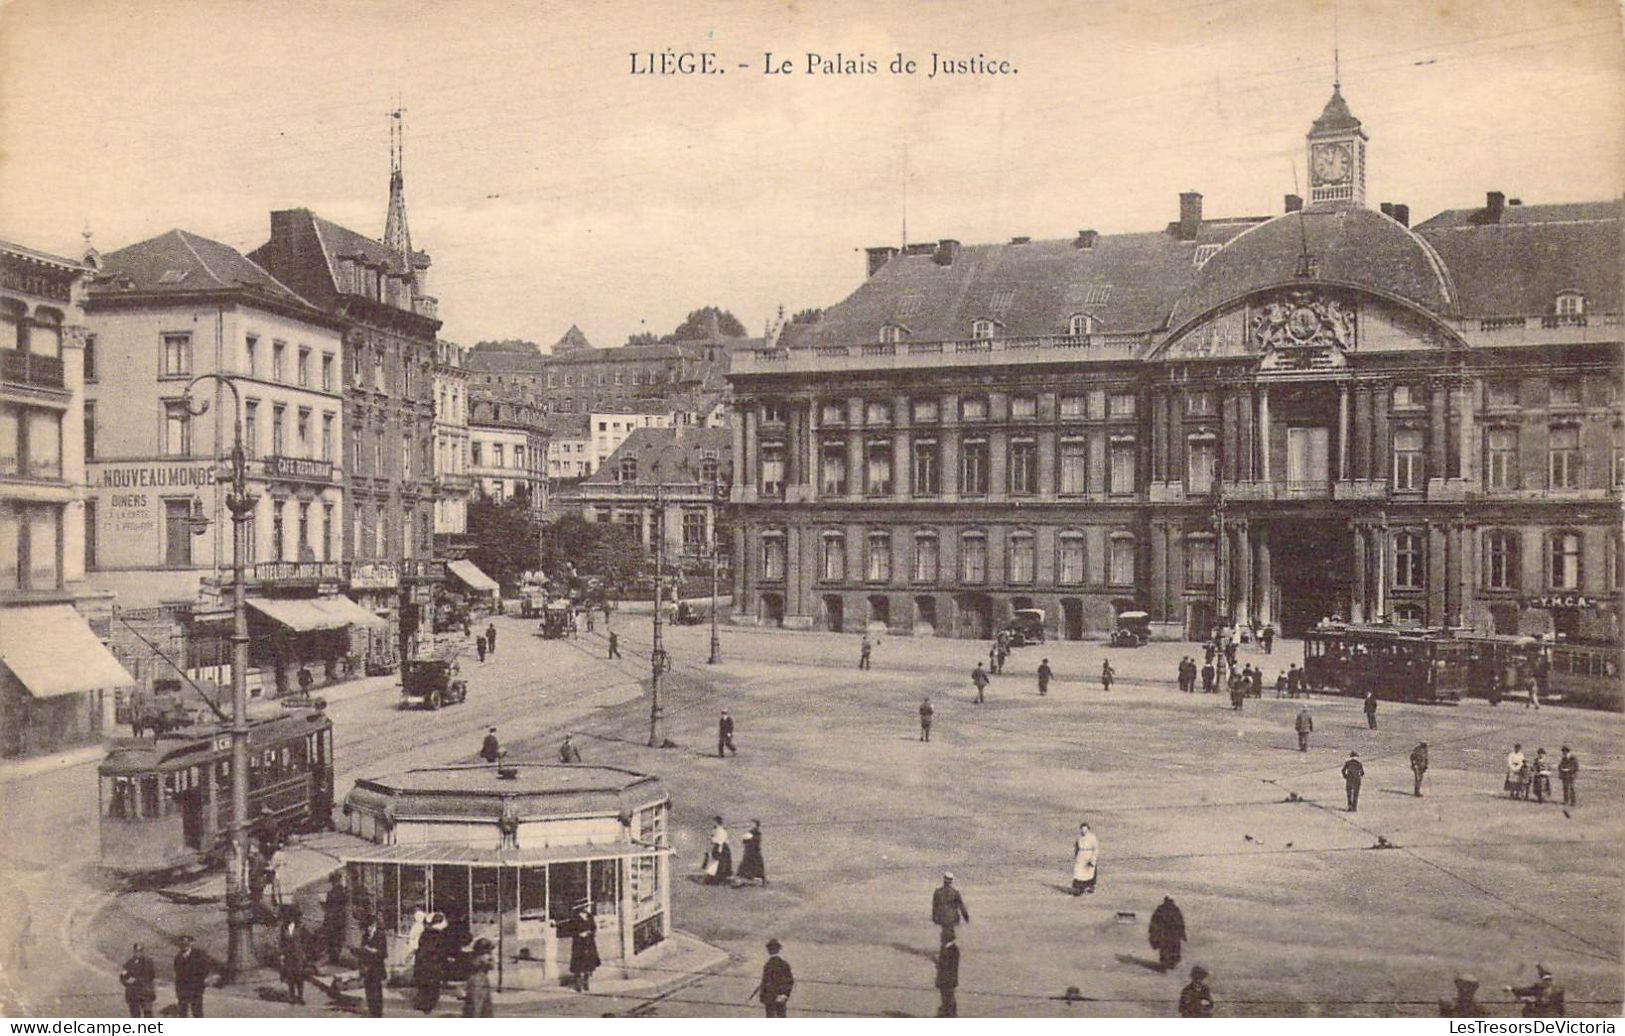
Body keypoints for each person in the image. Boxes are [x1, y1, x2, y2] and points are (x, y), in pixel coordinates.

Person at [413, 912, 448, 1013]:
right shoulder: (439, 935)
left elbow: (421, 947)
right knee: (433, 986)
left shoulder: (425, 933)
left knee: (424, 985)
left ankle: (422, 1003)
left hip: (423, 963)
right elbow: (440, 950)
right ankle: (428, 1005)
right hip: (433, 964)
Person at [355, 913, 389, 1018]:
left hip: (376, 969)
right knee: (369, 992)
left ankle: (377, 1014)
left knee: (376, 993)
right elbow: (362, 950)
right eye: (366, 928)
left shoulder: (380, 935)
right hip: (367, 969)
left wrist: (373, 951)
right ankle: (371, 1012)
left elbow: (384, 954)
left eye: (369, 927)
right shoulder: (365, 935)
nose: (367, 930)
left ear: (373, 925)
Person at [279, 906, 309, 1005]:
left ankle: (300, 997)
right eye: (290, 916)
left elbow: (306, 941)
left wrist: (304, 952)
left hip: (299, 954)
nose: (291, 918)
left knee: (299, 976)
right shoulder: (284, 927)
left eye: (294, 916)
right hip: (288, 955)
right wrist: (282, 954)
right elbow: (282, 941)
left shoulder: (302, 927)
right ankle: (292, 996)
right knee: (290, 976)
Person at [757, 939, 794, 1017]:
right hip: (779, 996)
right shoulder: (784, 964)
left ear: (768, 951)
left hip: (769, 997)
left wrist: (763, 996)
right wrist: (785, 994)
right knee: (781, 1015)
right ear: (779, 950)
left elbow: (765, 982)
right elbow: (789, 981)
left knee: (770, 1016)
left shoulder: (768, 965)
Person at [1148, 896, 1187, 970]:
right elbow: (1180, 923)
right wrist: (1182, 933)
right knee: (1170, 950)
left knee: (1168, 950)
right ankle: (1167, 964)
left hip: (1167, 935)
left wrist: (1153, 933)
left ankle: (1167, 964)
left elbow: (1154, 922)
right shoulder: (1175, 909)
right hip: (1170, 935)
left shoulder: (1161, 909)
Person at [569, 903, 600, 992]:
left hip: (589, 942)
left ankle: (586, 983)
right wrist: (579, 934)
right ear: (580, 908)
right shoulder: (574, 918)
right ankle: (577, 984)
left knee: (588, 963)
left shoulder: (589, 916)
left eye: (587, 906)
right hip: (579, 943)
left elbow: (594, 927)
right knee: (578, 963)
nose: (587, 908)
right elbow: (570, 930)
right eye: (585, 907)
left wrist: (591, 932)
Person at [119, 943, 156, 1018]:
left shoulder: (148, 961)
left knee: (148, 1014)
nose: (138, 953)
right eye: (136, 951)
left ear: (143, 951)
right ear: (134, 951)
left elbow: (150, 976)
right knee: (135, 1015)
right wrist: (127, 981)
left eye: (140, 951)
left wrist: (134, 980)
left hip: (145, 992)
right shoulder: (129, 962)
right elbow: (123, 976)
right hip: (133, 993)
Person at [321, 871, 350, 966]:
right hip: (340, 918)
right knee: (338, 938)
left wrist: (324, 908)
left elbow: (329, 907)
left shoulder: (331, 893)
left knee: (333, 938)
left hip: (333, 919)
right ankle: (336, 957)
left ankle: (334, 958)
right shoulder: (344, 892)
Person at [932, 872, 970, 943]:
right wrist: (966, 917)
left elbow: (935, 907)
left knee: (944, 932)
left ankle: (945, 948)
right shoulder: (955, 893)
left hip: (942, 917)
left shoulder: (937, 892)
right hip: (953, 918)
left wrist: (934, 918)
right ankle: (949, 949)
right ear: (952, 881)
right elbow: (961, 906)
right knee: (951, 933)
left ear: (944, 880)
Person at [462, 937, 495, 1017]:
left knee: (482, 1005)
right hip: (478, 980)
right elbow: (491, 966)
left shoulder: (474, 956)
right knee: (477, 1005)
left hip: (478, 979)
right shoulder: (482, 957)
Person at [935, 933, 960, 1017]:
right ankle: (947, 1013)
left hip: (948, 979)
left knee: (948, 997)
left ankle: (950, 1015)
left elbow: (950, 965)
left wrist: (940, 964)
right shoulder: (945, 948)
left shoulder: (952, 949)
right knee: (946, 997)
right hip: (945, 978)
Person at [1072, 822, 1099, 895]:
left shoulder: (1092, 837)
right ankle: (1079, 889)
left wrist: (1093, 858)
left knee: (1088, 873)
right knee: (1079, 872)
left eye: (1085, 830)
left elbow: (1095, 848)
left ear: (1088, 830)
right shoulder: (1079, 838)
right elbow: (1076, 848)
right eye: (1082, 830)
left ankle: (1088, 888)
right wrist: (1076, 856)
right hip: (1081, 856)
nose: (1083, 831)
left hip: (1088, 855)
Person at [738, 820, 767, 885]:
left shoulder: (757, 833)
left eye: (753, 824)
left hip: (753, 851)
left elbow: (755, 842)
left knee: (754, 863)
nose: (751, 825)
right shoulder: (751, 832)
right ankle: (748, 876)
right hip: (749, 851)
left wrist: (749, 840)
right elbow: (744, 841)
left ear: (756, 825)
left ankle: (754, 877)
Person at [706, 817, 733, 883]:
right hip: (723, 847)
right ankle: (717, 877)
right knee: (718, 863)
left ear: (716, 822)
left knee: (716, 862)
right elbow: (726, 840)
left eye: (714, 822)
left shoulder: (719, 831)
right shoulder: (722, 830)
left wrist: (711, 839)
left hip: (719, 847)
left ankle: (714, 878)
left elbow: (719, 841)